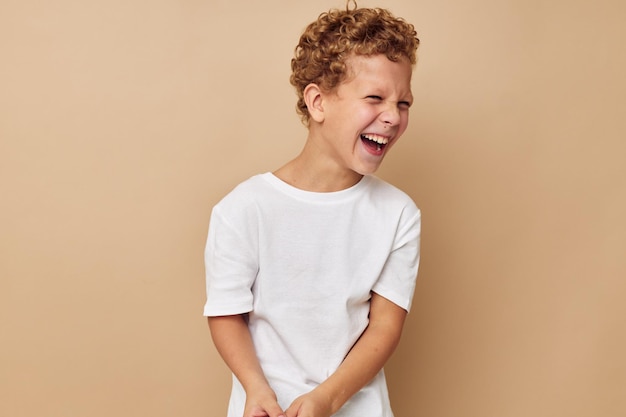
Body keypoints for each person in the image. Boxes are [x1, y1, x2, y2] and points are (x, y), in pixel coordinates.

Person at [204, 2, 421, 416]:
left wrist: (329, 398)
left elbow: (385, 326)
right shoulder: (244, 209)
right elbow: (226, 313)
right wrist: (256, 389)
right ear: (318, 102)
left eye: (404, 103)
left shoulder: (398, 214)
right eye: (375, 97)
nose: (392, 116)